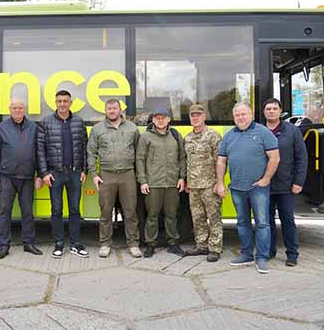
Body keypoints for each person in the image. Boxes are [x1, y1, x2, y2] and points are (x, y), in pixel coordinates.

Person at [215, 101, 280, 274]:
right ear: (233, 117)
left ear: (251, 115)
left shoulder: (263, 132)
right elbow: (221, 160)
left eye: (243, 114)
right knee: (242, 222)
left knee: (262, 223)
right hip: (237, 188)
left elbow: (275, 157)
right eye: (237, 115)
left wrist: (266, 179)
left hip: (258, 188)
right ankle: (246, 254)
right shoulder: (229, 136)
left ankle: (262, 257)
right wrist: (220, 182)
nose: (240, 117)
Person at [0, 97, 44, 260]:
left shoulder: (34, 127)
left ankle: (29, 243)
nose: (17, 111)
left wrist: (40, 175)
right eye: (15, 108)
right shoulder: (1, 128)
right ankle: (4, 246)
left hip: (27, 178)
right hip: (6, 177)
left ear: (25, 109)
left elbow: (40, 153)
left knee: (27, 212)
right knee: (4, 212)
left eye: (20, 108)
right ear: (10, 109)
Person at [87, 99, 142, 258]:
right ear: (106, 110)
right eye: (109, 108)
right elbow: (91, 153)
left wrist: (138, 176)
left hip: (128, 175)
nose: (112, 111)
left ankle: (133, 244)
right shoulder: (97, 129)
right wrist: (94, 174)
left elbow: (139, 153)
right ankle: (105, 243)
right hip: (106, 175)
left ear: (120, 110)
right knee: (105, 211)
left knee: (131, 211)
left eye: (114, 108)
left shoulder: (132, 128)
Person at [37, 90, 89, 258]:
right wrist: (44, 173)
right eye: (59, 101)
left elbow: (85, 148)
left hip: (75, 173)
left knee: (74, 210)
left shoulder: (79, 122)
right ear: (55, 103)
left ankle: (75, 243)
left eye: (65, 101)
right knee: (56, 209)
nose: (62, 104)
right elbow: (40, 151)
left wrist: (84, 170)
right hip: (55, 174)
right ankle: (59, 243)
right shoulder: (46, 123)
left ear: (70, 103)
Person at [136, 107, 186, 258]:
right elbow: (139, 159)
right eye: (157, 118)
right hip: (153, 183)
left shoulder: (175, 136)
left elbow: (182, 158)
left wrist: (182, 177)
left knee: (171, 215)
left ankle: (173, 244)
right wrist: (143, 181)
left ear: (169, 119)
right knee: (152, 215)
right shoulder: (146, 137)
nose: (160, 120)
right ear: (153, 120)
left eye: (163, 117)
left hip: (172, 183)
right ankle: (150, 244)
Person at [263, 98, 307, 267]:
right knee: (266, 221)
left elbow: (301, 158)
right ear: (264, 112)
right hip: (264, 185)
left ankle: (292, 254)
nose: (271, 111)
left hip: (286, 186)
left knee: (287, 220)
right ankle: (269, 251)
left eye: (275, 108)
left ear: (280, 111)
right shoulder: (259, 130)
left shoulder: (292, 131)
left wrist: (298, 182)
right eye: (268, 108)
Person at [183, 104, 223, 262]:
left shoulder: (213, 136)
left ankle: (215, 248)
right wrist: (187, 181)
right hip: (193, 186)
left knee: (214, 217)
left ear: (204, 116)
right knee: (197, 218)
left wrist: (219, 182)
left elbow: (221, 161)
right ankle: (201, 245)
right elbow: (187, 162)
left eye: (198, 115)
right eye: (193, 115)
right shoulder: (188, 138)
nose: (195, 117)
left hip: (209, 185)